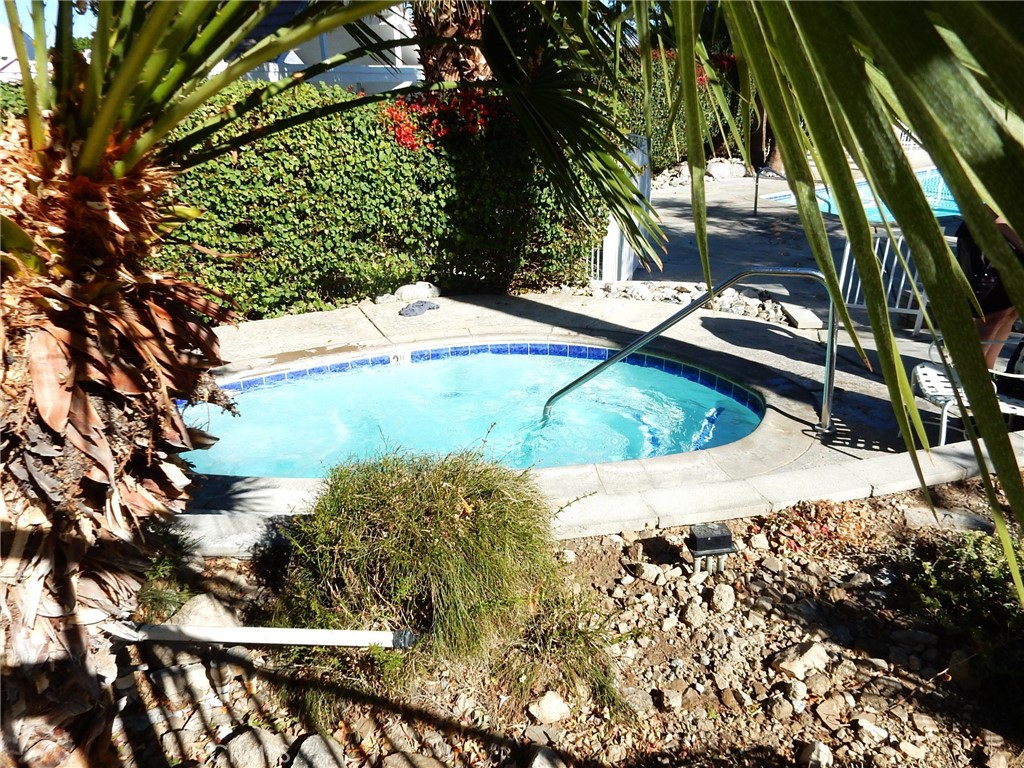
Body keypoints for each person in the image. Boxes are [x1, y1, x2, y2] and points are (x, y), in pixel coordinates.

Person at [957, 208, 1024, 369]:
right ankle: (972, 373)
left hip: (1013, 247)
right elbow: (993, 214)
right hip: (989, 239)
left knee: (1010, 311)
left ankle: (987, 370)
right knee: (992, 313)